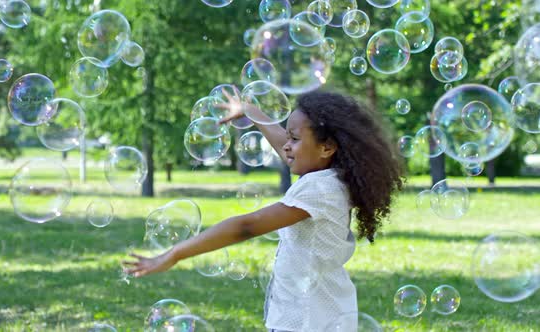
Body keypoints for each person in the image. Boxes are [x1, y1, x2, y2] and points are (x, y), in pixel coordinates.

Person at [123, 90, 404, 331]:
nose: (286, 146)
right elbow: (287, 150)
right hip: (319, 313)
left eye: (294, 138)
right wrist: (250, 110)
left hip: (308, 319)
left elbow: (247, 226)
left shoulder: (319, 189)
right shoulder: (331, 177)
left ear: (327, 147)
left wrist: (174, 253)